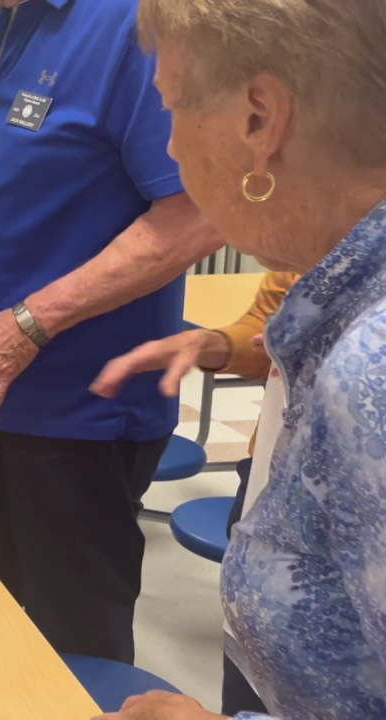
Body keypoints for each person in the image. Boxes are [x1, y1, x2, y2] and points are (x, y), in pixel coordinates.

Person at [0, 0, 224, 665]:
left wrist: (33, 322)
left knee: (74, 651)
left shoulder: (135, 28)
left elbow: (196, 215)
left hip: (77, 415)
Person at [89, 0, 386, 717]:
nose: (169, 150)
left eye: (171, 110)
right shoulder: (336, 295)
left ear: (259, 119)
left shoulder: (372, 369)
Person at [96, 270, 299, 718]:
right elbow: (267, 328)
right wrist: (216, 345)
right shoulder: (314, 252)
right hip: (271, 479)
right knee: (254, 660)